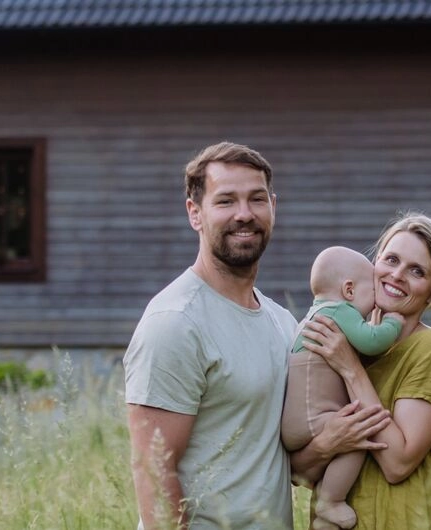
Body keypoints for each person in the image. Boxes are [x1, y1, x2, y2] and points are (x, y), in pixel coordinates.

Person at [124, 142, 392, 530]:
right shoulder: (175, 323)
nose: (244, 214)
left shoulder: (282, 322)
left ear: (273, 208)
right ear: (194, 213)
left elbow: (283, 465)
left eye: (256, 199)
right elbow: (152, 469)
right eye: (226, 201)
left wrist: (327, 443)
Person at [295, 212, 431, 530]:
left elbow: (398, 463)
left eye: (417, 271)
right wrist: (327, 443)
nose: (398, 275)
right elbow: (297, 473)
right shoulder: (348, 343)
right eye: (391, 260)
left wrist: (350, 369)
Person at [281, 246, 404, 530]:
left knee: (346, 440)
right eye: (372, 291)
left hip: (297, 422)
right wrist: (391, 322)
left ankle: (325, 509)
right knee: (358, 435)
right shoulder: (340, 311)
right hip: (315, 418)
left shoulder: (310, 317)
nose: (376, 303)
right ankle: (331, 502)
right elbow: (371, 340)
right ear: (349, 290)